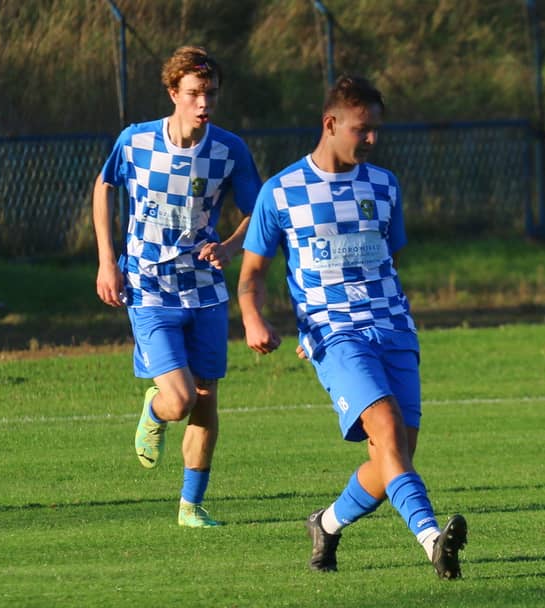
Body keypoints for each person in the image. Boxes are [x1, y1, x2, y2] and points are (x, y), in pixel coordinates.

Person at [237, 75, 467, 578]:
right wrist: (254, 319)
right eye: (362, 129)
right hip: (335, 335)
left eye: (376, 129)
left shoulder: (384, 185)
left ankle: (326, 524)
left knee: (392, 458)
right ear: (330, 124)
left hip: (395, 330)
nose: (372, 139)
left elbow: (390, 260)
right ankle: (432, 541)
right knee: (386, 429)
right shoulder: (281, 192)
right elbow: (251, 276)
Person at [92, 46, 262, 528]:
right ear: (173, 93)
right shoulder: (136, 141)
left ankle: (191, 506)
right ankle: (155, 408)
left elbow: (260, 212)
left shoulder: (229, 150)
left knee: (206, 397)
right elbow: (104, 187)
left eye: (211, 93)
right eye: (194, 93)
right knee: (180, 398)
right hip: (148, 286)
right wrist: (106, 261)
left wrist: (230, 246)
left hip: (205, 289)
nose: (204, 103)